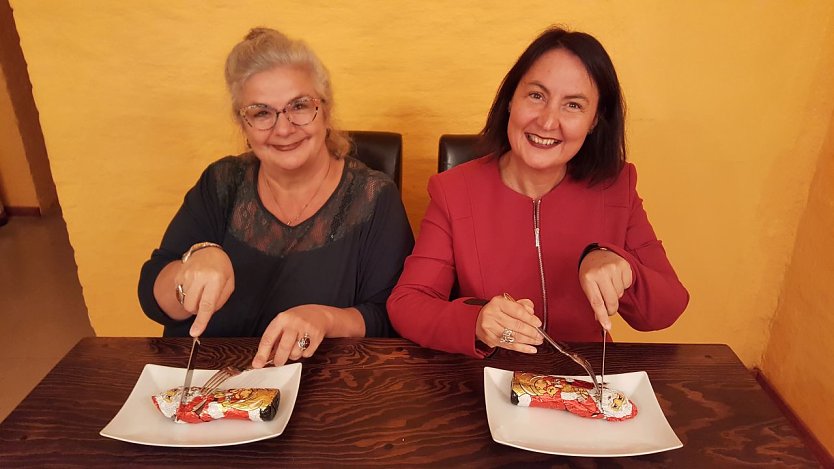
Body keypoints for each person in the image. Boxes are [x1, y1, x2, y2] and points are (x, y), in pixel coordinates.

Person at [387, 27, 688, 358]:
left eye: (573, 105)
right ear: (510, 101)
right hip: (489, 387)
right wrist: (475, 321)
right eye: (536, 96)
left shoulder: (616, 186)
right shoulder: (454, 190)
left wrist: (622, 266)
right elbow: (408, 303)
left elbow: (668, 307)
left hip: (583, 386)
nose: (547, 122)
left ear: (594, 121)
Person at [139, 28, 414, 367]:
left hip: (326, 391)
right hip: (214, 392)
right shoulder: (221, 183)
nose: (283, 129)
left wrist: (325, 318)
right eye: (261, 112)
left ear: (325, 111)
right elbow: (151, 295)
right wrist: (190, 267)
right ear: (243, 125)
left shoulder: (374, 197)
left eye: (299, 106)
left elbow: (390, 318)